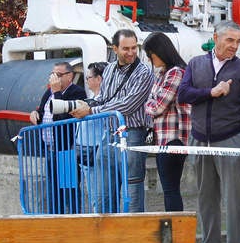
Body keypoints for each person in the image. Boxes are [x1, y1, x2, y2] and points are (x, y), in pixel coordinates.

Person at [178, 20, 240, 243]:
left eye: (237, 41)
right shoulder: (195, 64)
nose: (235, 46)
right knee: (205, 195)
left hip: (231, 138)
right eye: (230, 40)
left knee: (236, 197)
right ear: (216, 37)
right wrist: (210, 93)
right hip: (200, 138)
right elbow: (183, 95)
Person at [71, 29, 154, 213]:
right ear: (114, 48)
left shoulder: (144, 72)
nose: (131, 52)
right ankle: (106, 234)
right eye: (126, 48)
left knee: (132, 189)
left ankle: (132, 235)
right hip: (108, 134)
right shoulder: (108, 70)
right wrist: (83, 106)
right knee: (103, 191)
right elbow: (103, 100)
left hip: (132, 134)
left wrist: (91, 110)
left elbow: (127, 105)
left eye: (134, 48)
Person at [29, 61, 87, 214]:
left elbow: (61, 117)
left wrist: (56, 93)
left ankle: (74, 218)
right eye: (53, 74)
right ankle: (56, 217)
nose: (55, 78)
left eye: (59, 75)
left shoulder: (76, 92)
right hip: (50, 148)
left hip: (66, 148)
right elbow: (43, 113)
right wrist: (35, 114)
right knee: (53, 188)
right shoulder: (48, 93)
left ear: (70, 76)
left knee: (68, 188)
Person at [144, 32, 191, 212]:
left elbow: (156, 106)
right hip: (163, 138)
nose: (150, 59)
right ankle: (173, 228)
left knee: (171, 189)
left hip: (173, 138)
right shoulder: (163, 73)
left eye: (150, 54)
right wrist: (150, 104)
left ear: (159, 51)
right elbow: (152, 102)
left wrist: (149, 105)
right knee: (169, 189)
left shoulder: (175, 73)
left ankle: (175, 230)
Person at [76, 61, 106, 212]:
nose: (86, 81)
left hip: (97, 151)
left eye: (88, 78)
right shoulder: (90, 100)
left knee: (99, 196)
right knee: (94, 196)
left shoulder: (104, 101)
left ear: (98, 78)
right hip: (86, 152)